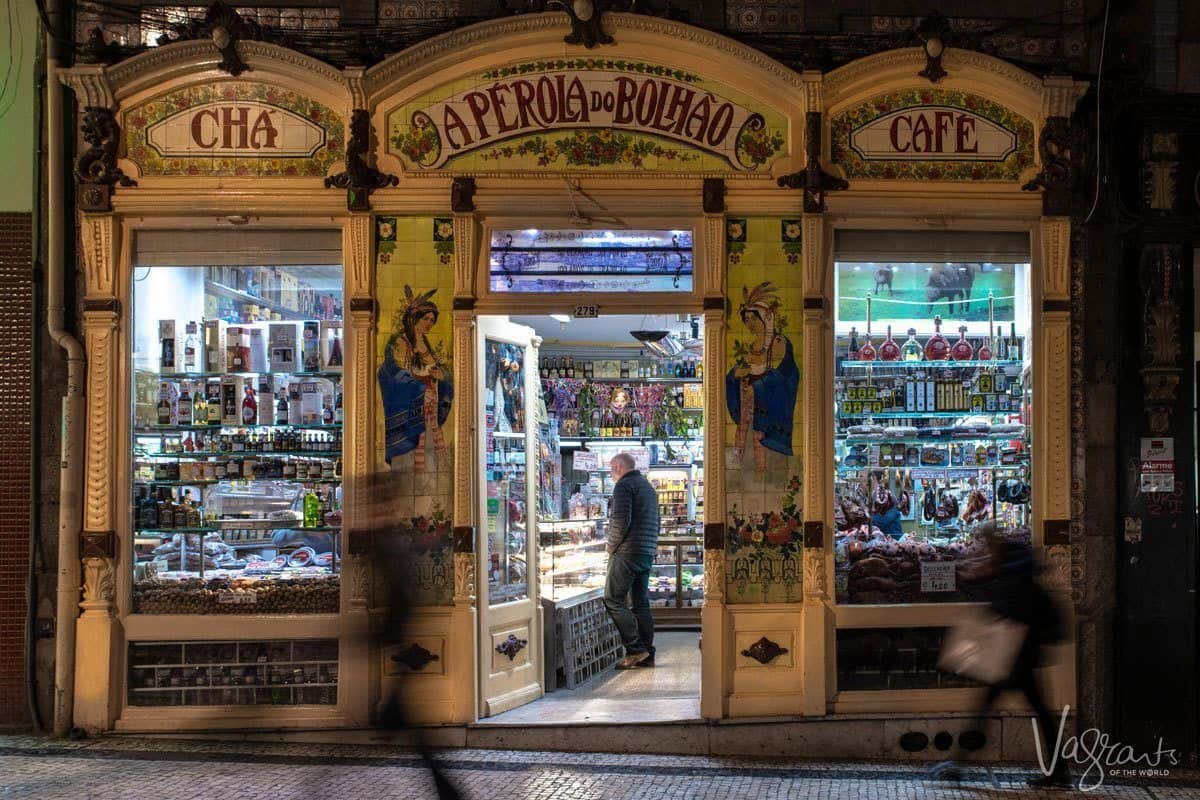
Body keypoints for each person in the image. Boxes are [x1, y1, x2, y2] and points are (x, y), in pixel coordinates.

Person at [931, 522, 1070, 788]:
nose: (981, 549)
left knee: (990, 708)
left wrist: (986, 612)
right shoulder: (1013, 564)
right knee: (1034, 711)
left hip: (1016, 654)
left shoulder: (1013, 569)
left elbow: (1012, 606)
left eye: (983, 543)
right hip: (1017, 653)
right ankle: (1059, 769)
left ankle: (958, 765)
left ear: (993, 544)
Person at [603, 452, 660, 669]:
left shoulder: (624, 486)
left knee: (613, 599)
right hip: (645, 552)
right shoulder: (647, 487)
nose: (611, 473)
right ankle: (648, 653)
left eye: (611, 468)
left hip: (626, 552)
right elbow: (657, 521)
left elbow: (620, 521)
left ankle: (636, 650)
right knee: (640, 604)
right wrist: (650, 547)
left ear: (618, 466)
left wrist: (610, 548)